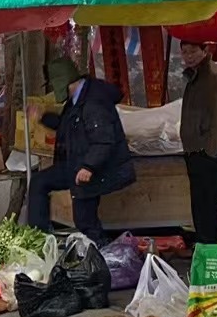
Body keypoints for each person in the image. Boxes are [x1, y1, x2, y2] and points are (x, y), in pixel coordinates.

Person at [26, 63, 136, 245]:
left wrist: (88, 166)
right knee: (39, 182)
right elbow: (66, 125)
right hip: (75, 163)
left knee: (85, 221)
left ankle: (104, 254)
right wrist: (43, 117)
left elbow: (104, 140)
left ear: (65, 84)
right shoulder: (77, 99)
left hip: (93, 168)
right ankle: (38, 238)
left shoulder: (94, 101)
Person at [177, 41, 217, 245]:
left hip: (207, 151)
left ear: (205, 51)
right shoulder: (194, 76)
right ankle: (204, 242)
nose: (188, 56)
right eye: (184, 52)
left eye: (193, 51)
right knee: (200, 203)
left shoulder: (214, 76)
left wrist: (212, 151)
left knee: (209, 203)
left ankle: (212, 244)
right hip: (194, 150)